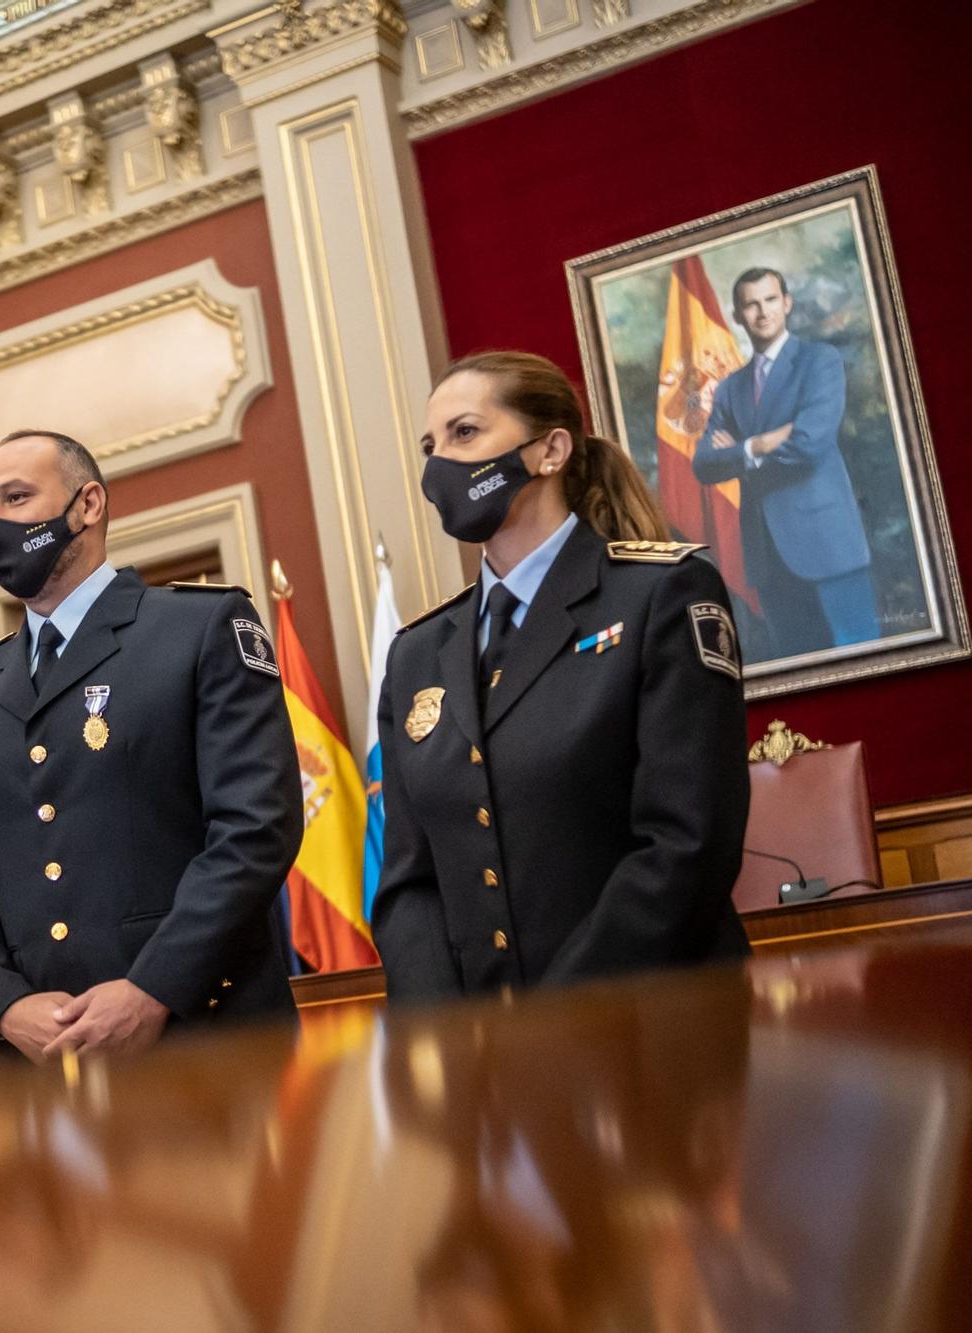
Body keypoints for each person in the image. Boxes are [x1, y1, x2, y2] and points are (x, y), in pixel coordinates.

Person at [374, 351, 750, 1001]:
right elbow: (409, 879)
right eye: (429, 445)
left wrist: (556, 1023)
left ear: (550, 451)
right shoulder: (418, 653)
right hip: (488, 1065)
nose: (440, 464)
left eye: (465, 433)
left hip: (655, 1027)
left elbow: (688, 843)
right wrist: (450, 1036)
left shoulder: (662, 594)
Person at [0, 429, 303, 1063]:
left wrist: (155, 987)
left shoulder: (198, 629)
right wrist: (5, 1004)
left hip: (203, 1035)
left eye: (17, 497)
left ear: (88, 504)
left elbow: (254, 828)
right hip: (43, 1056)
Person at [692, 266, 875, 658]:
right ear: (738, 315)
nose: (763, 312)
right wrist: (756, 446)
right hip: (767, 557)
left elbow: (810, 443)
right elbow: (704, 465)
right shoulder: (729, 388)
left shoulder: (820, 361)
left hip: (828, 546)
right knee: (801, 677)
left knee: (864, 669)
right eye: (751, 305)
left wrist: (737, 453)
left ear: (787, 303)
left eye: (771, 300)